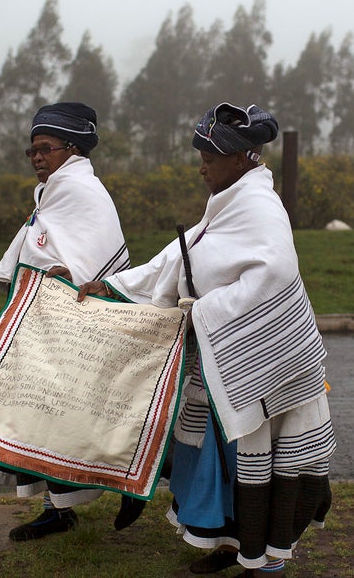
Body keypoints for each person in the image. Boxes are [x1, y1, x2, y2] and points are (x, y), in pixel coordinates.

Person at [78, 102, 335, 577]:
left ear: (240, 159)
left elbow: (276, 273)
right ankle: (233, 543)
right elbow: (180, 257)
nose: (202, 168)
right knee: (220, 454)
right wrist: (115, 286)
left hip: (260, 365)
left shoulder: (258, 207)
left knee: (259, 456)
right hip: (225, 363)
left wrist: (203, 312)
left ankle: (267, 558)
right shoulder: (229, 204)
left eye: (209, 159)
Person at [0, 101, 138, 541]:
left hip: (79, 321)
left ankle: (136, 481)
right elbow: (46, 245)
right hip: (45, 321)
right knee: (42, 415)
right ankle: (58, 508)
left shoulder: (81, 190)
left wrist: (78, 277)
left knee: (82, 415)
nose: (36, 157)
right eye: (31, 150)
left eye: (45, 148)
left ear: (71, 149)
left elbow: (94, 257)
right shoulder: (54, 189)